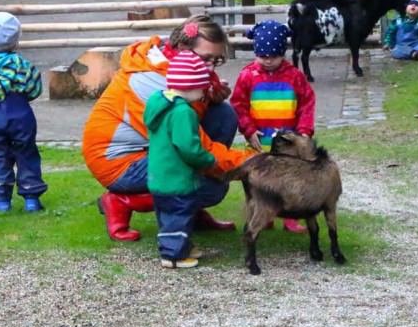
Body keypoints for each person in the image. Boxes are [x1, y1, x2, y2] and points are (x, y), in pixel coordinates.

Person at [83, 15, 250, 241]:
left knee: (223, 115)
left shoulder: (172, 66)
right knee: (211, 187)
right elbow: (195, 146)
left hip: (148, 147)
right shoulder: (155, 82)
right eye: (206, 59)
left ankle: (189, 213)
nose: (210, 67)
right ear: (182, 48)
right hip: (119, 162)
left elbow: (190, 123)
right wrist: (249, 164)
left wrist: (210, 96)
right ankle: (121, 201)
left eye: (217, 61)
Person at [230, 20, 315, 234]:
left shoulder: (295, 76)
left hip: (288, 141)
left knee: (289, 179)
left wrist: (304, 130)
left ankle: (289, 218)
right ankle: (262, 214)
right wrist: (248, 130)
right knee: (257, 179)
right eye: (262, 56)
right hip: (260, 139)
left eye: (273, 56)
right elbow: (238, 105)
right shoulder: (248, 75)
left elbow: (307, 103)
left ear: (283, 53)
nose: (268, 61)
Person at [145, 51, 216, 268]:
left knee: (167, 216)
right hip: (178, 178)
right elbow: (188, 147)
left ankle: (181, 246)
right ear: (191, 86)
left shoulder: (158, 103)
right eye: (202, 87)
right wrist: (208, 160)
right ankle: (173, 255)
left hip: (159, 177)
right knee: (179, 215)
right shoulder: (183, 113)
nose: (204, 92)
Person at [0, 12, 47, 212]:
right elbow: (35, 89)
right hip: (21, 116)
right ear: (16, 39)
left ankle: (2, 200)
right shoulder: (21, 64)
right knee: (26, 153)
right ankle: (32, 198)